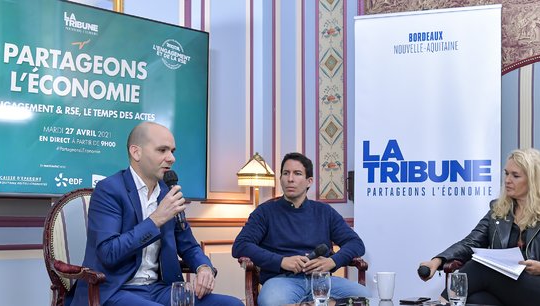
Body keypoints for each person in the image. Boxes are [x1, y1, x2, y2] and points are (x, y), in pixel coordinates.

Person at [69, 122, 243, 306]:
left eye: (172, 151)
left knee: (233, 304)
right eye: (162, 150)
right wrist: (156, 220)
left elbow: (189, 245)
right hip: (115, 290)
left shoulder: (167, 192)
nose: (171, 158)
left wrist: (204, 267)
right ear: (136, 152)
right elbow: (109, 253)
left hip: (159, 289)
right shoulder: (109, 190)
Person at [418, 148, 540, 306]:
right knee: (470, 298)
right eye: (506, 174)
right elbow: (471, 242)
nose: (507, 180)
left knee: (481, 267)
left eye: (515, 175)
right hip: (510, 289)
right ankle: (444, 303)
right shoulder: (500, 209)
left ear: (534, 180)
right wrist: (438, 260)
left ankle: (440, 303)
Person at [232, 152, 370, 306]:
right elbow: (241, 245)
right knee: (272, 301)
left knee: (365, 298)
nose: (290, 179)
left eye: (297, 174)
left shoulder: (324, 211)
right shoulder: (264, 212)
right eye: (286, 173)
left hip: (322, 281)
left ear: (309, 181)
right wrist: (281, 261)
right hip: (281, 282)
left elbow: (356, 243)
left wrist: (333, 261)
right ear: (280, 179)